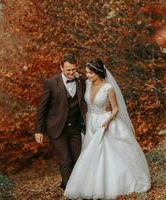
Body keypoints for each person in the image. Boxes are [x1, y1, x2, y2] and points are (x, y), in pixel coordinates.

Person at [64, 59, 151, 199]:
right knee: (90, 153)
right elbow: (76, 79)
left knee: (106, 153)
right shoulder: (86, 83)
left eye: (91, 73)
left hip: (105, 122)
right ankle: (89, 184)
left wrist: (108, 121)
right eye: (86, 72)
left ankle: (112, 184)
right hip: (91, 122)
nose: (88, 75)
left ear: (98, 73)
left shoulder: (108, 87)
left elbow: (115, 108)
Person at [34, 54, 87, 191]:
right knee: (65, 160)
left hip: (75, 127)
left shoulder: (81, 81)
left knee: (78, 160)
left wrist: (107, 105)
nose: (71, 73)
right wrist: (39, 130)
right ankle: (70, 191)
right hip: (57, 128)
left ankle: (70, 184)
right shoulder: (51, 83)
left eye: (73, 69)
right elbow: (42, 108)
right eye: (68, 70)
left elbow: (91, 96)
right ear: (61, 67)